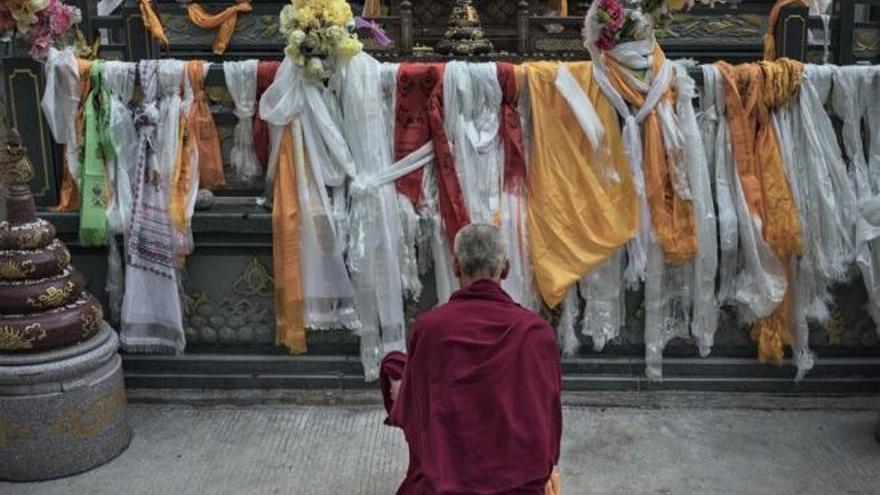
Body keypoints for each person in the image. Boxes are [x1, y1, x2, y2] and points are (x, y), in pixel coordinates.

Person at [380, 223, 562, 495]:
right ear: (506, 268)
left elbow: (415, 416)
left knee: (394, 364)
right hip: (517, 486)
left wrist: (401, 388)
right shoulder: (536, 333)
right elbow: (548, 421)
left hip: (446, 486)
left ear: (456, 267)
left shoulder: (431, 328)